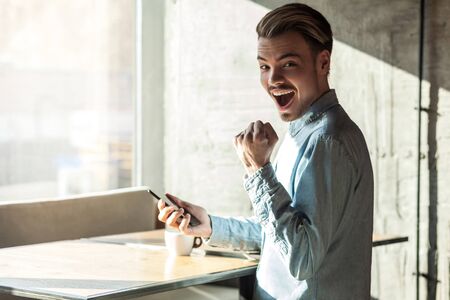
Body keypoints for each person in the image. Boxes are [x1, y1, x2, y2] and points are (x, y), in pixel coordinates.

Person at [158, 3, 374, 300]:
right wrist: (209, 226)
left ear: (323, 63)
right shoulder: (304, 132)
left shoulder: (327, 141)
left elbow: (302, 259)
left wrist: (259, 172)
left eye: (288, 64)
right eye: (264, 66)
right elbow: (279, 236)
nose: (273, 80)